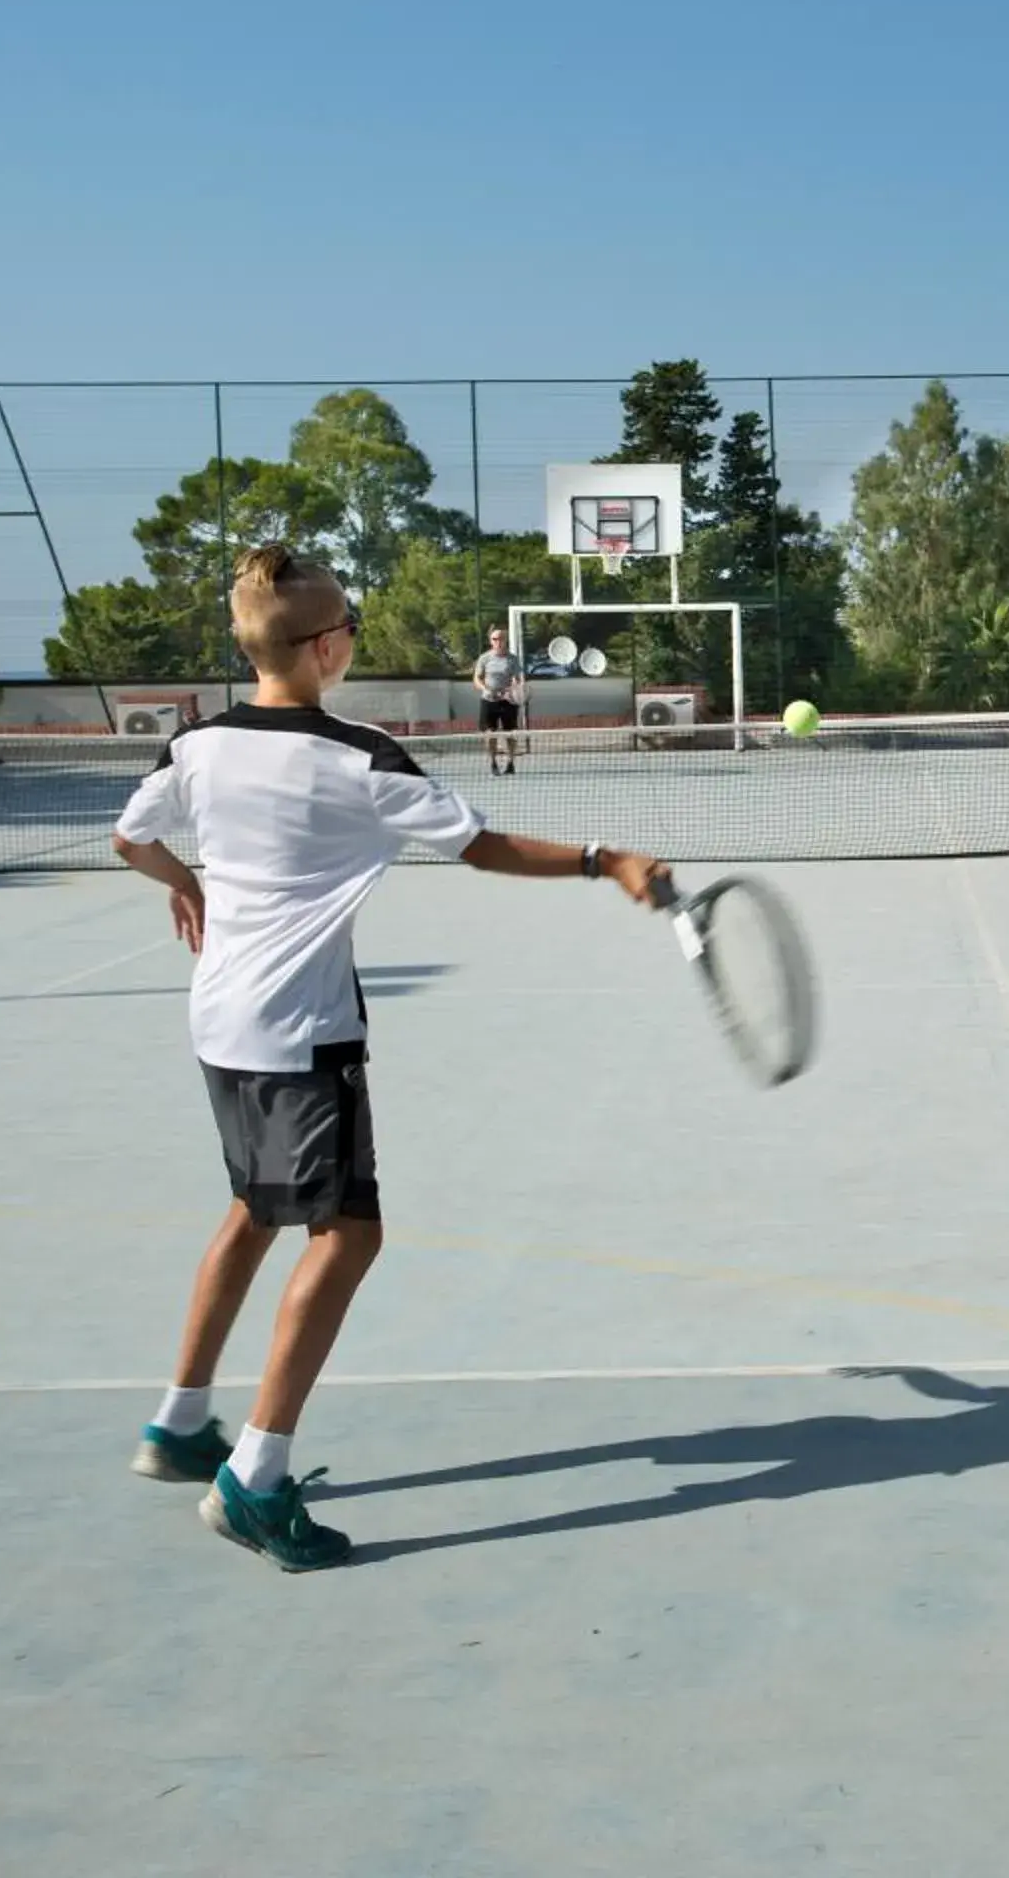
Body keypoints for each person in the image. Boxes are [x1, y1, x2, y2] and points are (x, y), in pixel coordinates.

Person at [111, 546, 666, 1571]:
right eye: (351, 622)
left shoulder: (193, 747)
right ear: (325, 646)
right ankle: (256, 1479)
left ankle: (181, 1422)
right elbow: (483, 846)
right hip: (298, 1033)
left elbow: (127, 838)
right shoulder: (357, 755)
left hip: (219, 1023)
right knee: (347, 1234)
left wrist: (181, 878)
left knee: (254, 1205)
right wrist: (605, 859)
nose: (353, 635)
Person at [472, 625, 525, 774]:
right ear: (491, 641)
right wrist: (485, 689)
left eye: (501, 639)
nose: (498, 641)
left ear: (505, 640)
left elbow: (518, 679)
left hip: (508, 702)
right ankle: (493, 763)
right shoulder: (484, 658)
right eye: (495, 639)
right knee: (490, 734)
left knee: (510, 734)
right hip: (488, 701)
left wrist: (511, 691)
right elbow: (477, 679)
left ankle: (510, 762)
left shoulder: (512, 659)